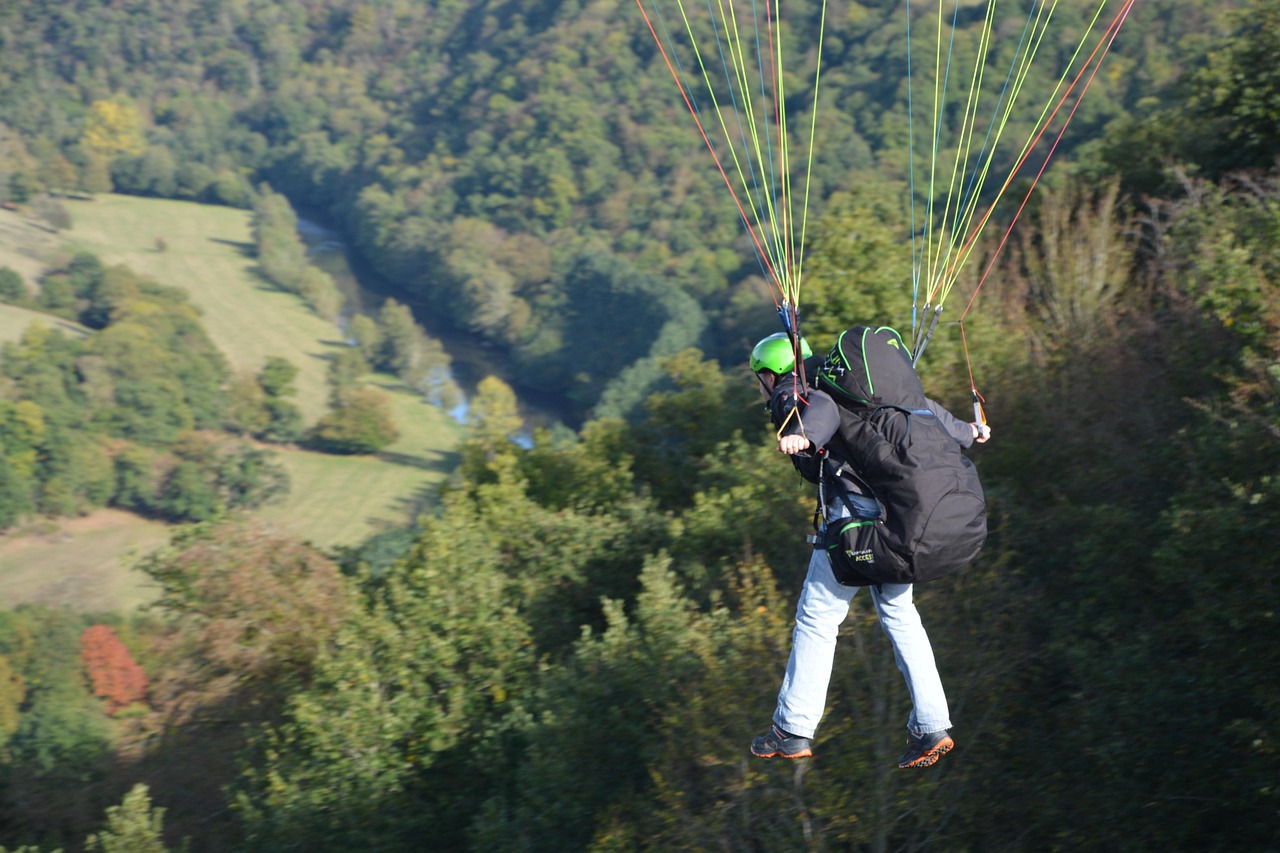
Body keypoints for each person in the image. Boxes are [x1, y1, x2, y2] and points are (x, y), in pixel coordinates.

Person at [746, 331, 991, 768]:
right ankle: (933, 723)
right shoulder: (874, 393)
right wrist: (969, 431)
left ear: (771, 372)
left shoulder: (804, 390)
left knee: (818, 616)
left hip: (858, 521)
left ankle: (794, 727)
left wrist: (802, 434)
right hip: (899, 516)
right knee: (900, 614)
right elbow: (930, 412)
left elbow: (816, 411)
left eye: (760, 378)